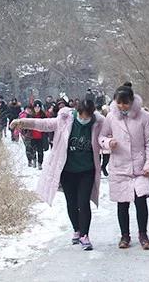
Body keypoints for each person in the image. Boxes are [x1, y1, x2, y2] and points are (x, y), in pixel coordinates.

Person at [10, 99, 105, 250]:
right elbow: (44, 124)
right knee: (71, 202)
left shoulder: (98, 123)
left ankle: (85, 235)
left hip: (87, 170)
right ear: (77, 112)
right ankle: (77, 230)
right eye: (81, 116)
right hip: (67, 170)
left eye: (87, 117)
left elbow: (106, 136)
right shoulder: (65, 120)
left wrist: (109, 143)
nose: (84, 119)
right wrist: (22, 122)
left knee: (84, 202)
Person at [99, 82, 149, 250]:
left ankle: (143, 234)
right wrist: (108, 142)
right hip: (119, 165)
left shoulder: (144, 116)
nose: (122, 106)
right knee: (122, 203)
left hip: (140, 166)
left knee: (141, 201)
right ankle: (124, 235)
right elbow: (101, 137)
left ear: (132, 101)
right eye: (119, 103)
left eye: (125, 103)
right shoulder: (111, 117)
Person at [24, 100, 48, 169]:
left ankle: (40, 163)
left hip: (40, 136)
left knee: (40, 151)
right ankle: (34, 160)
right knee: (32, 150)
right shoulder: (30, 115)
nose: (37, 109)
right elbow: (26, 124)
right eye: (35, 107)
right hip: (32, 136)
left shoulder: (43, 115)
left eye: (38, 107)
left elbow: (47, 124)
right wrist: (25, 131)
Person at [99, 104, 110, 177]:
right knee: (98, 158)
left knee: (106, 158)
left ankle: (103, 167)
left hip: (107, 141)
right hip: (99, 141)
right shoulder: (98, 120)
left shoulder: (109, 120)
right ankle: (98, 170)